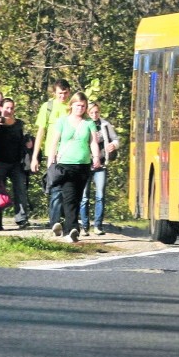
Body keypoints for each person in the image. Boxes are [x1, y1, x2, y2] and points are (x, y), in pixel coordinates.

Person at [46, 92, 100, 242]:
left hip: (83, 165)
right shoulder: (62, 121)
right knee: (69, 197)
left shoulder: (89, 123)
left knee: (76, 198)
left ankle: (67, 226)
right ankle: (73, 229)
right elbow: (54, 142)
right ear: (71, 105)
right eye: (78, 105)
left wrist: (96, 157)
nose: (80, 108)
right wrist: (51, 161)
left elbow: (93, 142)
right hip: (65, 165)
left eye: (83, 106)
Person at [31, 78, 72, 233]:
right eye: (60, 93)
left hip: (70, 155)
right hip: (52, 154)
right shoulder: (47, 107)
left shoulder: (72, 107)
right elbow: (40, 132)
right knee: (55, 188)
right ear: (54, 93)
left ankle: (66, 221)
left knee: (68, 190)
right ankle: (55, 222)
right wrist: (35, 156)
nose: (63, 96)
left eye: (66, 93)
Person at [0, 97, 33, 231]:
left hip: (16, 163)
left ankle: (21, 219)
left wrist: (28, 143)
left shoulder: (18, 123)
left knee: (20, 190)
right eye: (7, 108)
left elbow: (22, 137)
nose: (9, 110)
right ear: (1, 108)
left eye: (12, 108)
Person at [79, 102, 119, 236]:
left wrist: (113, 145)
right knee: (84, 197)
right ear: (87, 113)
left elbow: (115, 139)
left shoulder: (105, 125)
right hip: (85, 164)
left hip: (101, 165)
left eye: (96, 112)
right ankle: (84, 226)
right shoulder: (83, 124)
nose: (94, 115)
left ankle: (98, 225)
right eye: (91, 113)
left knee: (100, 196)